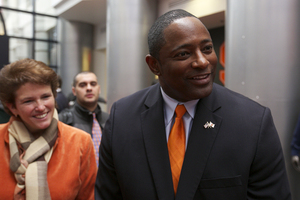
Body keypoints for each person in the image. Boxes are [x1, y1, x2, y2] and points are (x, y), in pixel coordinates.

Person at [95, 9, 291, 199]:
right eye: (183, 54)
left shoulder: (253, 122)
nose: (202, 62)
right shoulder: (122, 118)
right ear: (154, 65)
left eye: (207, 49)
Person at [0, 58, 97, 199]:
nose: (40, 107)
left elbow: (89, 196)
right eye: (28, 101)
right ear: (12, 107)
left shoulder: (80, 141)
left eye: (45, 97)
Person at [59, 71, 109, 166]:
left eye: (93, 84)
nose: (89, 88)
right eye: (83, 85)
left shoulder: (109, 119)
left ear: (99, 89)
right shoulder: (64, 120)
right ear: (74, 91)